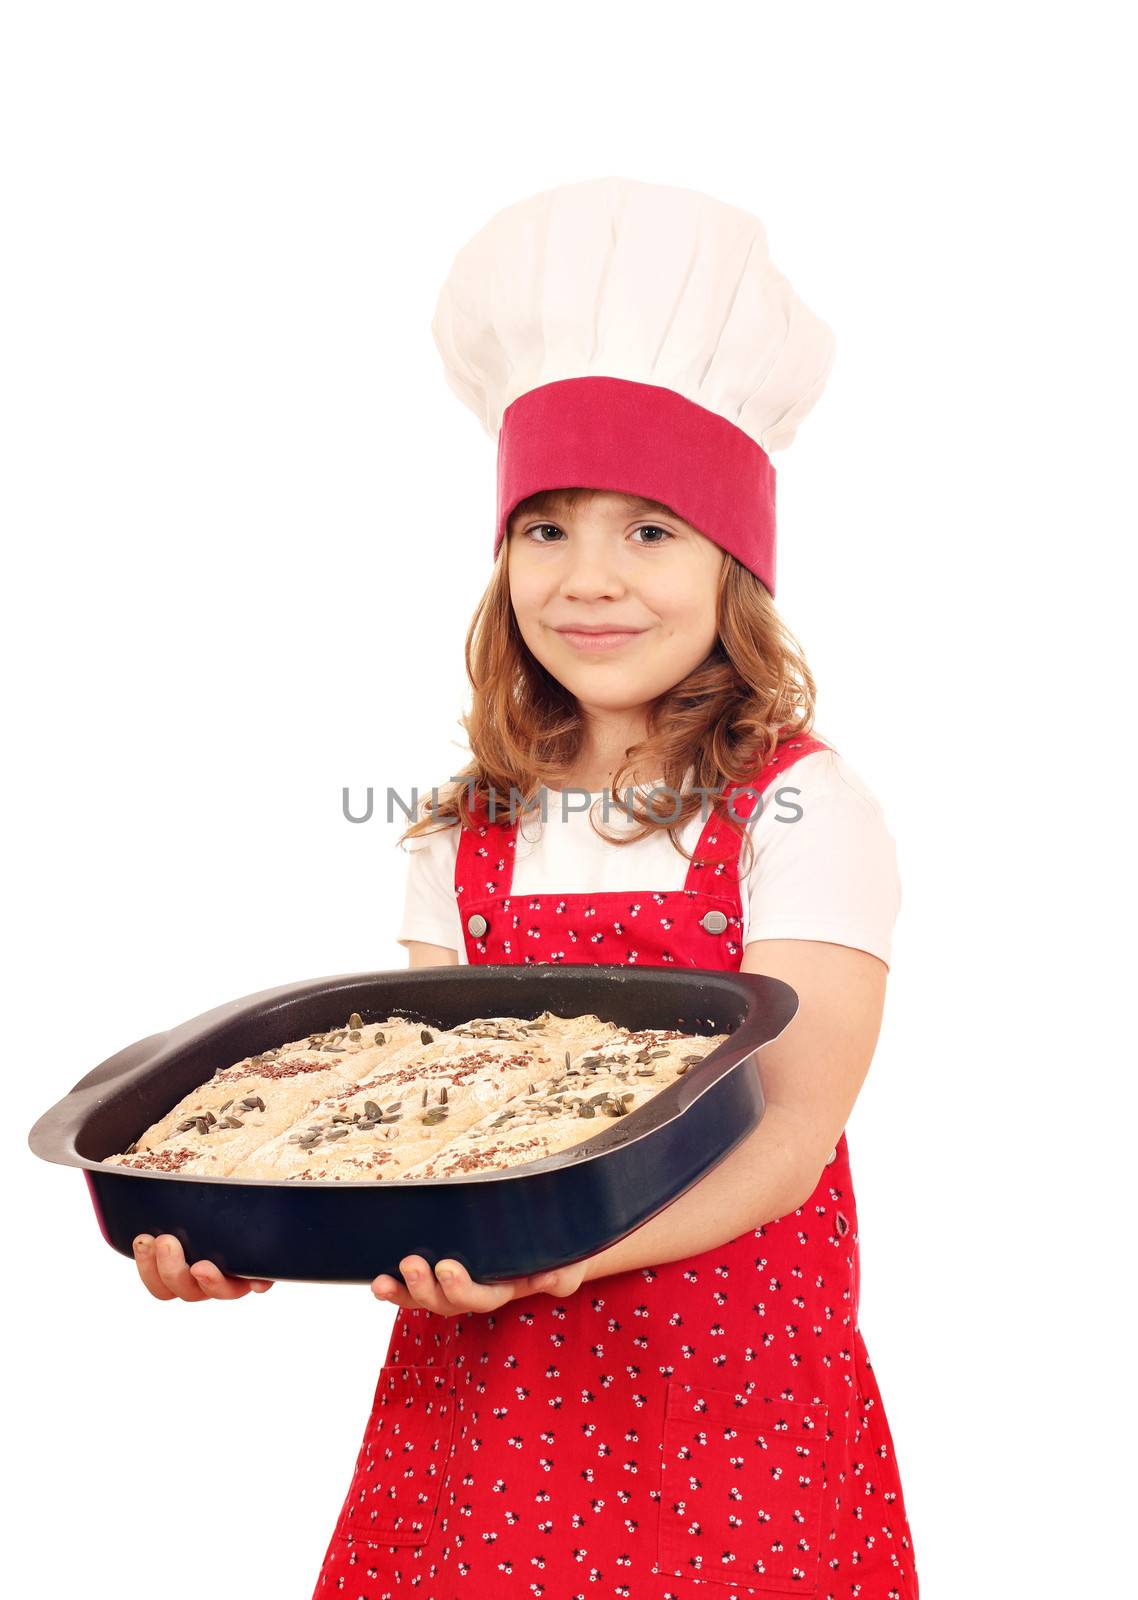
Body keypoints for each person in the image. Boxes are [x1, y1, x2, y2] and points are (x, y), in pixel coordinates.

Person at [133, 176, 921, 1599]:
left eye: (649, 529)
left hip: (726, 1394)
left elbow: (792, 1139)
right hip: (479, 1404)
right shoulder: (463, 830)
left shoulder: (800, 807)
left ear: (735, 561)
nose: (589, 580)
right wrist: (250, 1231)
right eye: (547, 527)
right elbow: (440, 1129)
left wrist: (559, 1259)